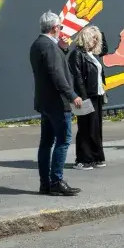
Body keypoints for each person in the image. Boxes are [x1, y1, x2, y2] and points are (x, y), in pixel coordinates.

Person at [30, 11, 83, 196]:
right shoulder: (50, 47)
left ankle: (45, 183)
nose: (61, 30)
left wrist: (62, 48)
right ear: (54, 28)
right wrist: (72, 95)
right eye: (60, 27)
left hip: (44, 102)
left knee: (46, 142)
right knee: (63, 140)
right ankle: (56, 181)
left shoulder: (38, 44)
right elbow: (56, 74)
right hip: (58, 102)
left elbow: (52, 67)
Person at [68, 25, 106, 170]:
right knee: (85, 128)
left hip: (97, 95)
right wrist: (82, 97)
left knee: (95, 128)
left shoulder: (91, 55)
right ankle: (83, 159)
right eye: (93, 38)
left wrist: (98, 31)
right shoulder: (76, 54)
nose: (95, 41)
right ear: (86, 38)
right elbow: (77, 78)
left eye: (97, 39)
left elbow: (105, 48)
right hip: (85, 96)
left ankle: (96, 157)